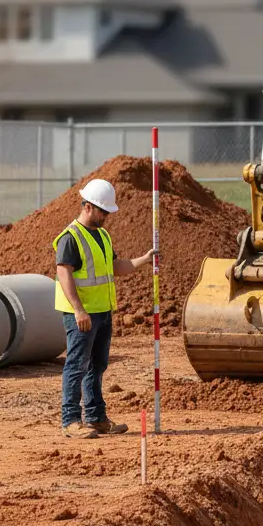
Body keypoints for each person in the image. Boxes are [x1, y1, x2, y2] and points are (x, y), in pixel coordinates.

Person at [54, 178, 153, 439]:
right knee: (76, 365)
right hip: (82, 314)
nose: (107, 216)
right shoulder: (71, 237)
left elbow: (114, 267)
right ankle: (71, 421)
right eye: (103, 211)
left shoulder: (102, 235)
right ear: (87, 206)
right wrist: (78, 309)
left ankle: (96, 418)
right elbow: (64, 274)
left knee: (97, 365)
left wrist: (144, 260)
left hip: (102, 312)